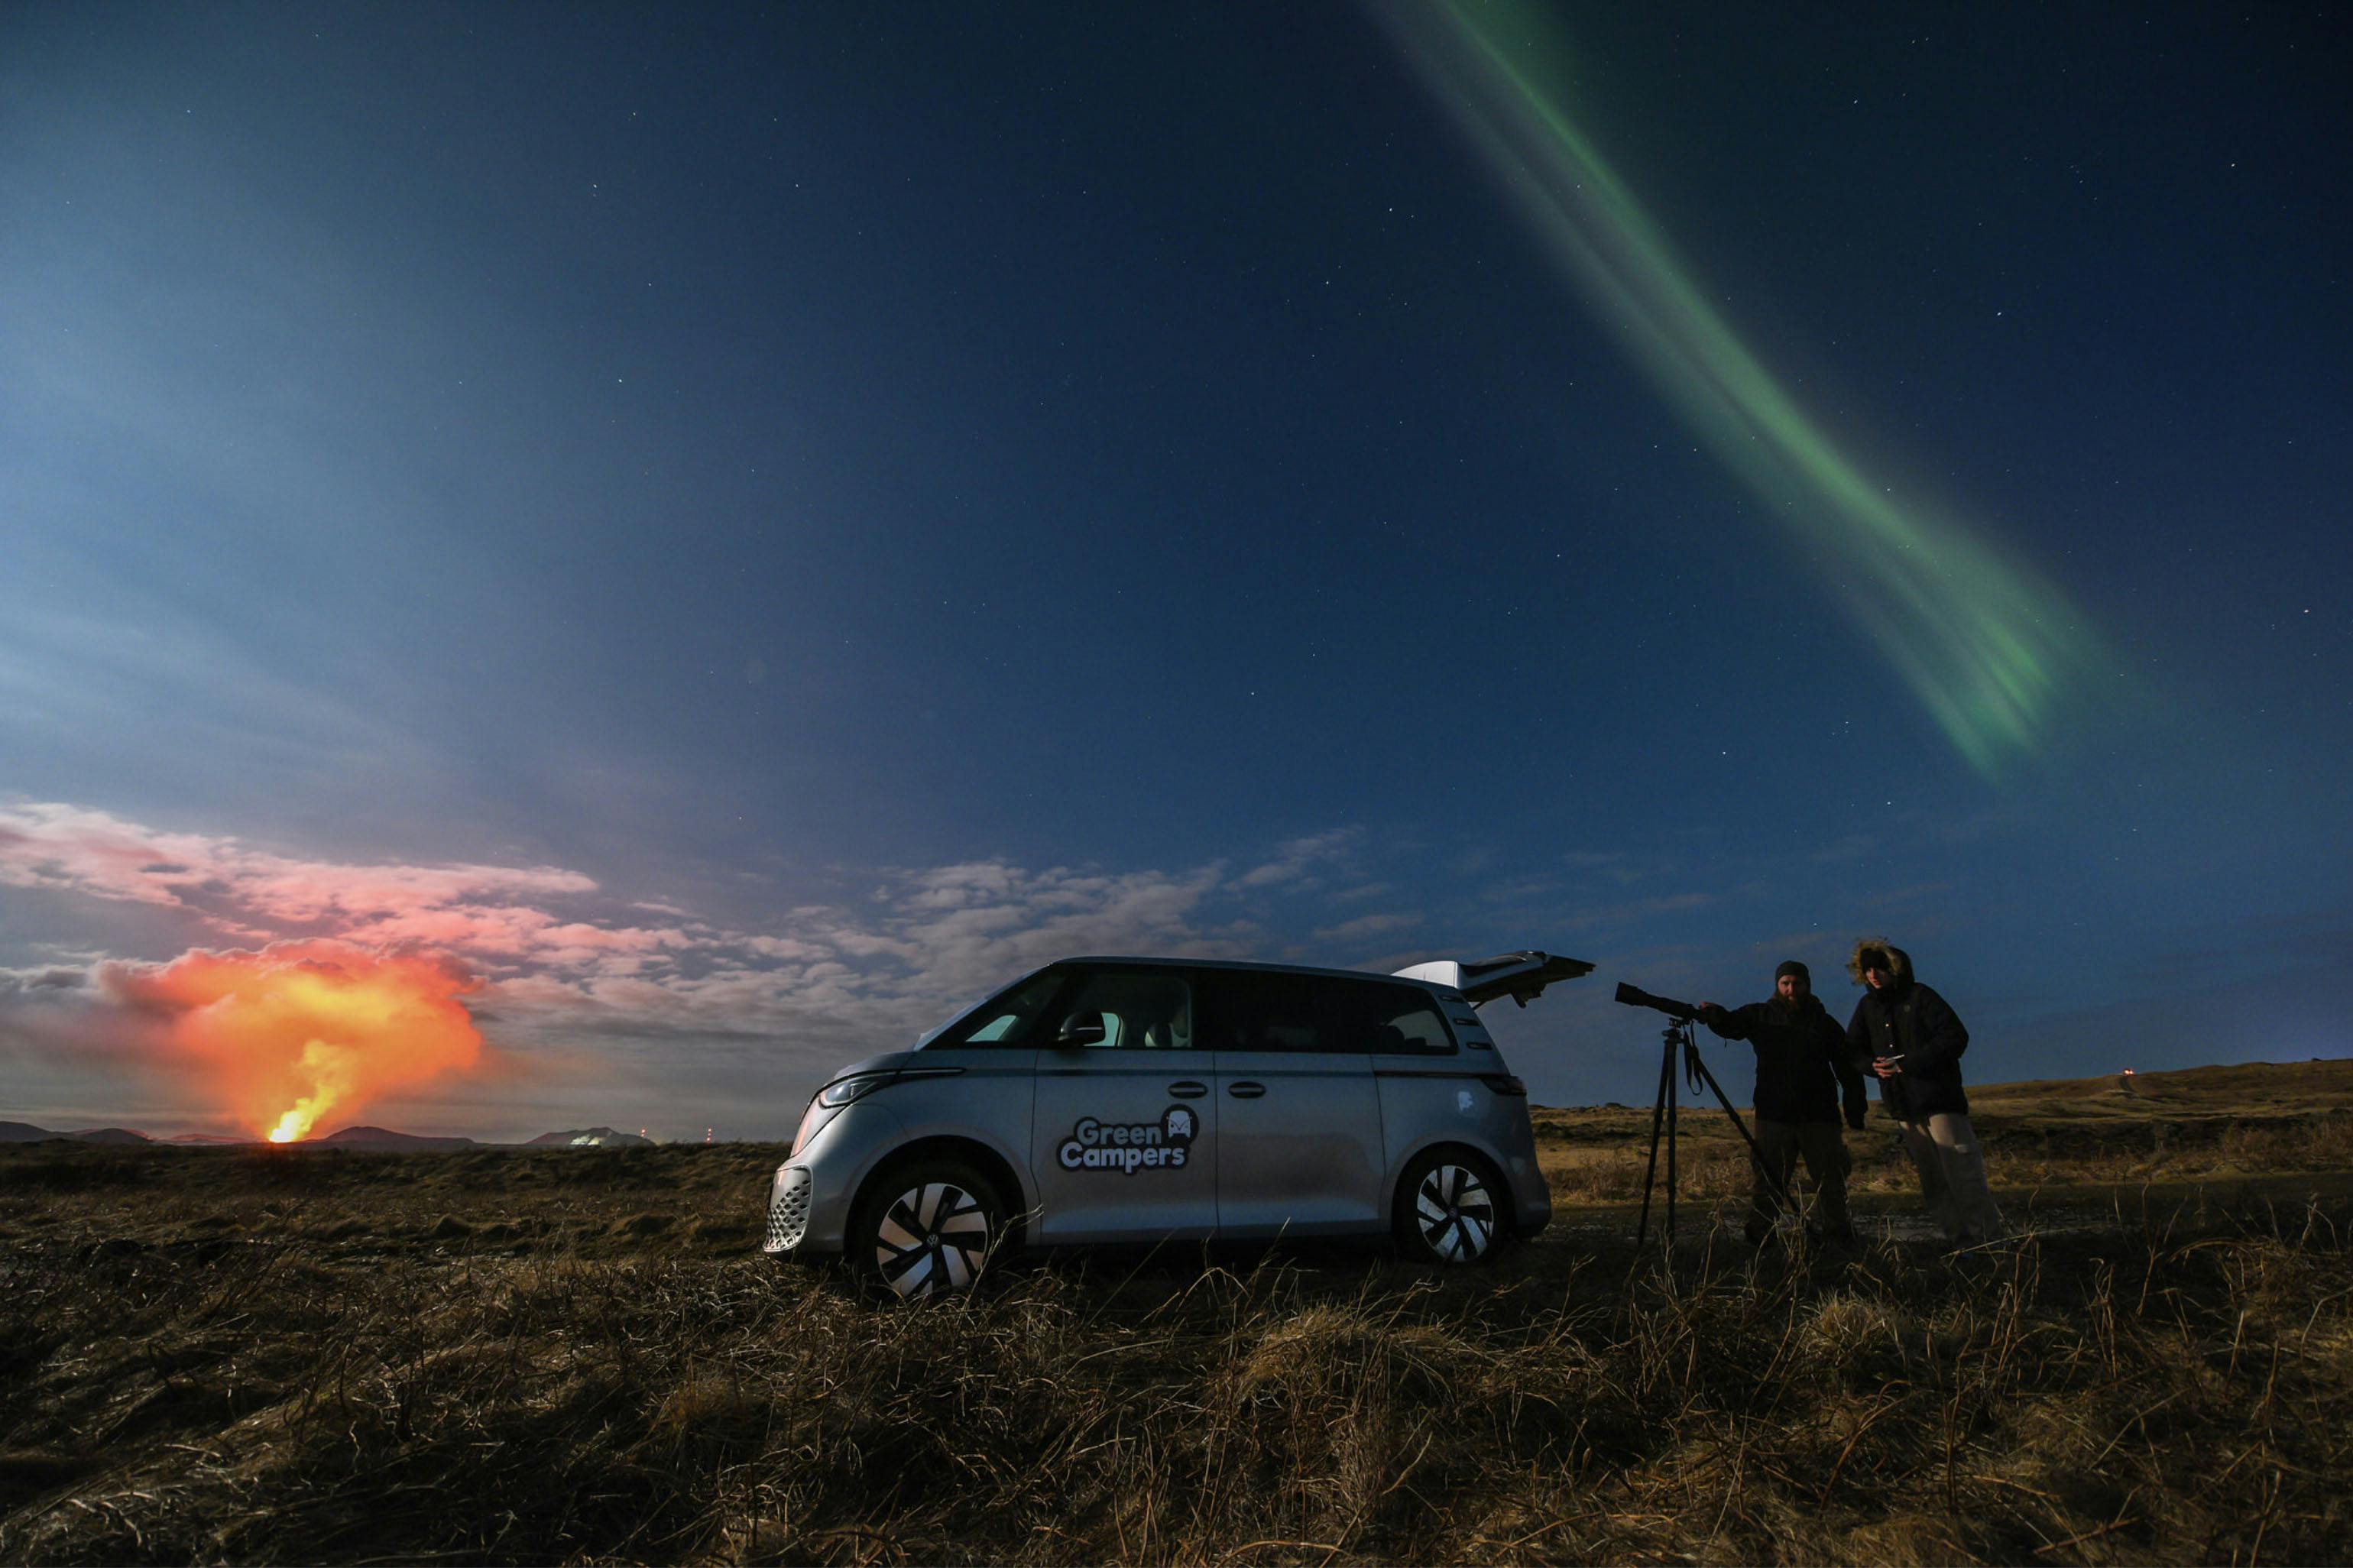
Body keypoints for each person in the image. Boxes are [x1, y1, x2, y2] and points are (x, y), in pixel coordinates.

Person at [1697, 960, 1867, 1246]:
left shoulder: (1823, 1023)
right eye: (1785, 983)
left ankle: (1838, 1236)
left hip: (1819, 1115)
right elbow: (1732, 1025)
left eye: (1796, 983)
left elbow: (1847, 1066)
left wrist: (1855, 1107)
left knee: (1830, 1180)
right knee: (1768, 1178)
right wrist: (1714, 1014)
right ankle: (1761, 1234)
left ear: (1807, 985)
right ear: (1777, 985)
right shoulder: (1762, 1016)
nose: (1791, 989)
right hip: (1774, 1114)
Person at [1845, 939, 2005, 1244]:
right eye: (1867, 970)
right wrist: (1871, 1066)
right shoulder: (1868, 1007)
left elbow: (1955, 1036)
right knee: (1932, 1180)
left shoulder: (1921, 997)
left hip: (1939, 1099)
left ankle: (1988, 1239)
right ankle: (1958, 1238)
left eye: (1879, 967)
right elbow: (1852, 1049)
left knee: (1963, 1174)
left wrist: (1912, 1063)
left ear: (1894, 968)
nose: (1874, 975)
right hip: (1904, 1105)